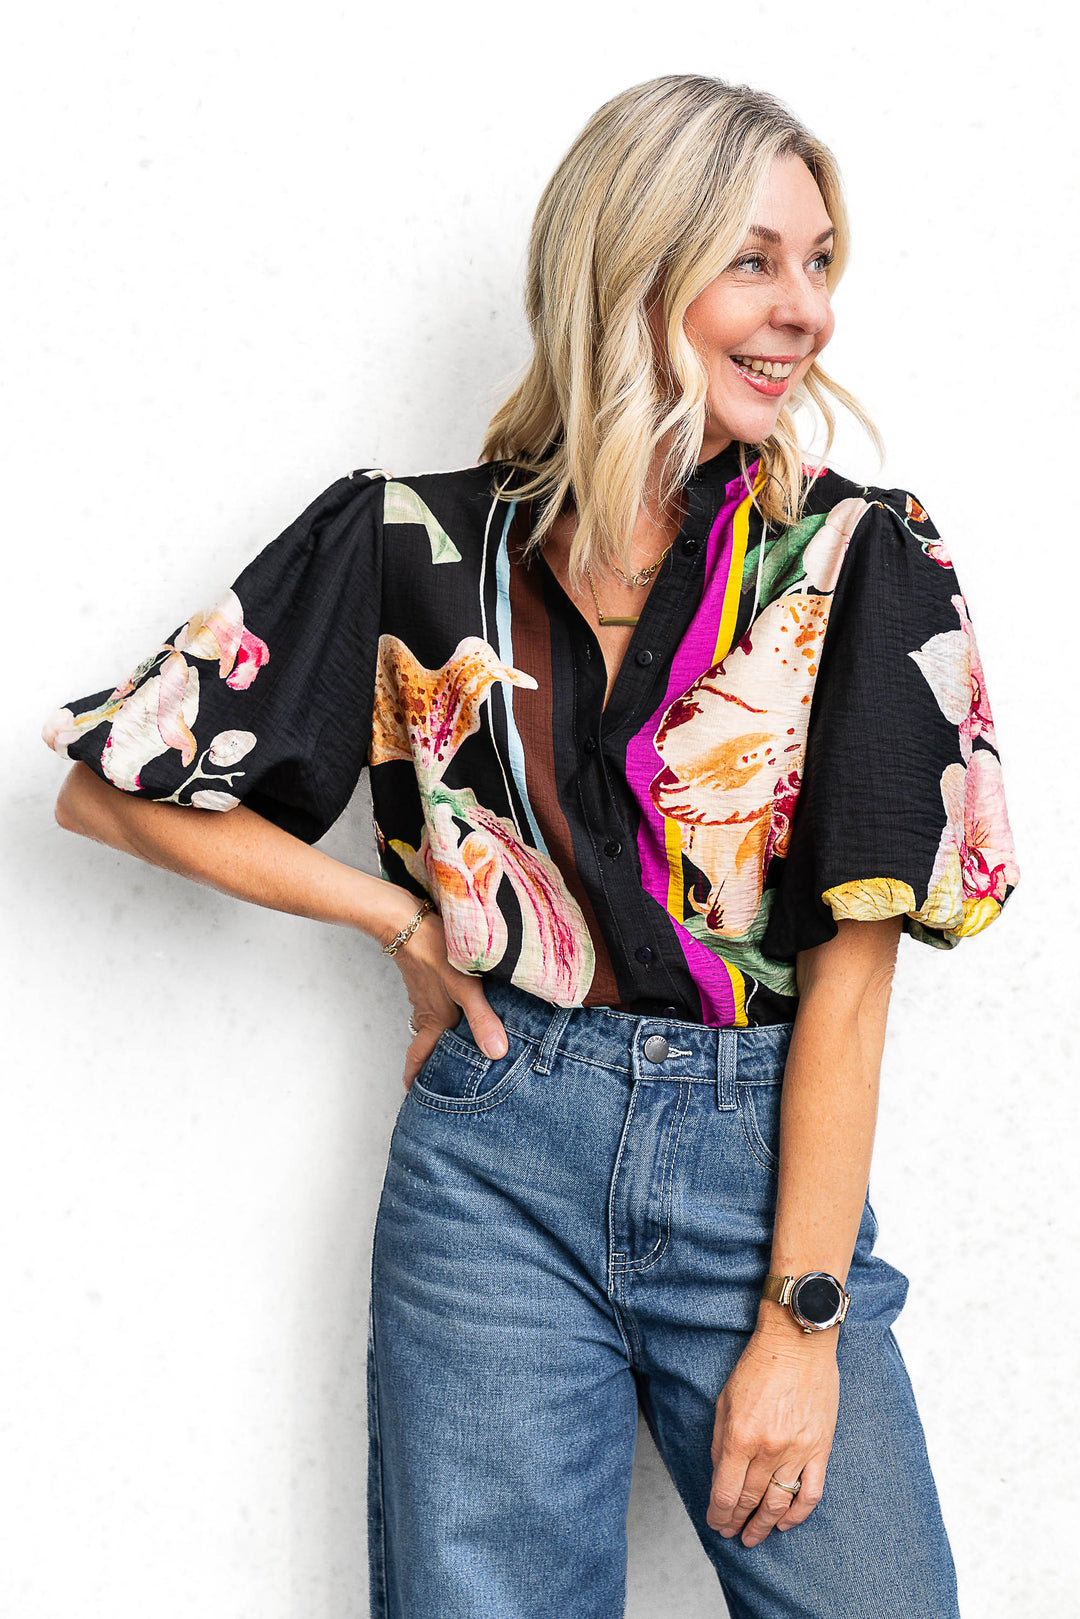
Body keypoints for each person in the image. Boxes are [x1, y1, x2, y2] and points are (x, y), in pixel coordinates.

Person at [44, 73, 1018, 1619]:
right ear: (629, 268)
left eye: (822, 261)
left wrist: (805, 1322)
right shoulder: (408, 541)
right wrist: (405, 924)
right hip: (493, 1157)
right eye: (756, 260)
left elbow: (851, 976)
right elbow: (116, 789)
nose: (808, 310)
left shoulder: (859, 560)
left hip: (763, 1160)